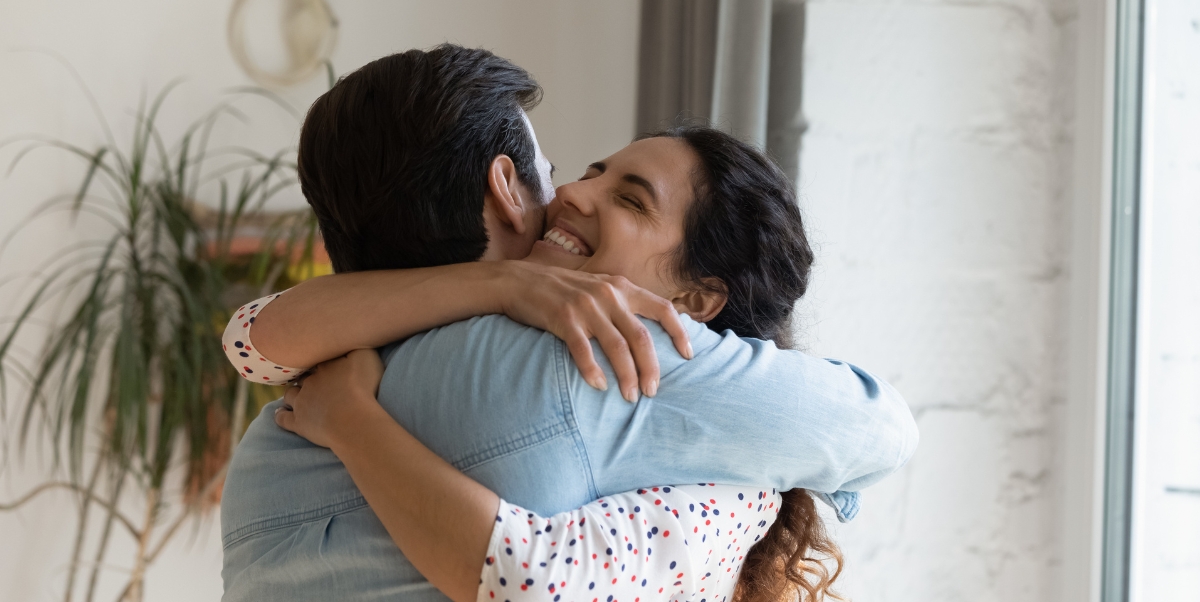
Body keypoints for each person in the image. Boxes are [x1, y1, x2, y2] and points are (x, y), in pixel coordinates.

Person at [219, 46, 917, 602]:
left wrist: (350, 419)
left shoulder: (284, 417)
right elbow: (882, 429)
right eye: (575, 170)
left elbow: (249, 338)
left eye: (629, 199)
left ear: (701, 298)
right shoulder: (603, 359)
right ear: (503, 185)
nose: (573, 194)